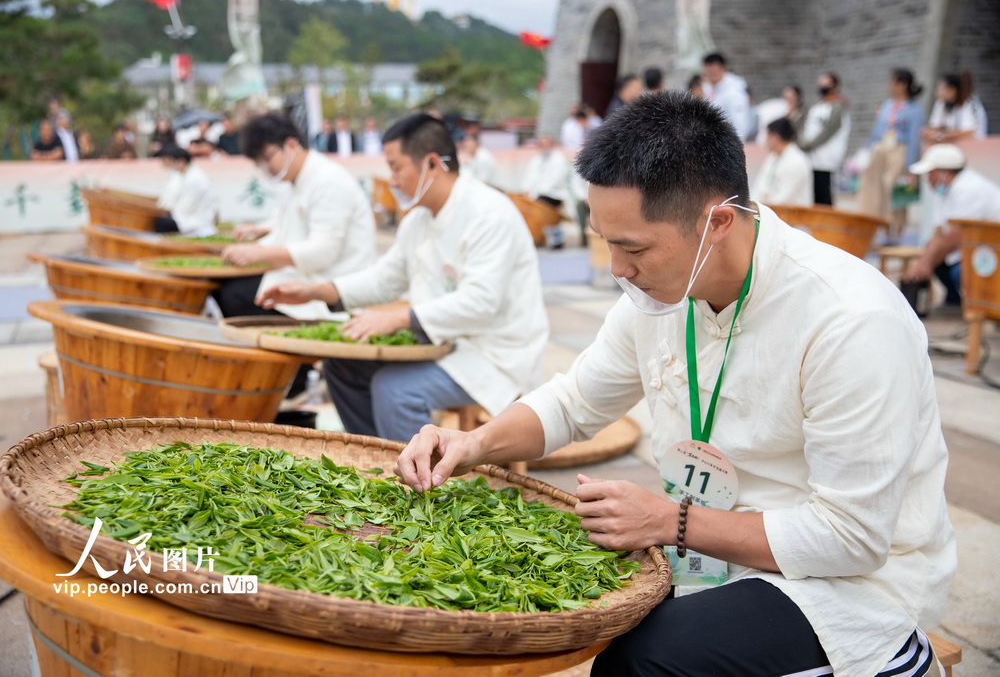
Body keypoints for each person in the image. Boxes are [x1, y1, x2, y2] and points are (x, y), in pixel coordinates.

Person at [393, 92, 955, 677]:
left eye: (632, 247)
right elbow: (574, 400)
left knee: (641, 661)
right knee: (504, 582)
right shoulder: (663, 292)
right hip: (703, 553)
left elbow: (851, 539)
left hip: (845, 589)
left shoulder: (851, 320)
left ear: (717, 223)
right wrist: (474, 445)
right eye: (606, 240)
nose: (616, 268)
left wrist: (671, 521)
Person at [255, 113, 549, 443]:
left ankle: (416, 483)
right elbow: (386, 279)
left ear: (432, 164)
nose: (392, 180)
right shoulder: (419, 220)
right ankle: (379, 456)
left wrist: (398, 318)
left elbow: (480, 302)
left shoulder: (488, 214)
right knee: (341, 364)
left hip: (492, 351)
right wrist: (318, 291)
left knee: (395, 390)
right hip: (441, 340)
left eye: (396, 167)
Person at [217, 113, 377, 321]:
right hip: (306, 274)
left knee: (234, 295)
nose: (267, 168)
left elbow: (324, 251)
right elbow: (284, 228)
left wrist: (261, 254)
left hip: (332, 283)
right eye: (259, 163)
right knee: (225, 285)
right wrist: (256, 246)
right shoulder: (294, 181)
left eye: (267, 159)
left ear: (291, 144)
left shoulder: (328, 181)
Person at [902, 144, 1000, 308]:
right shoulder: (946, 190)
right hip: (976, 247)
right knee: (932, 252)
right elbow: (939, 233)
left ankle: (982, 307)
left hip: (991, 252)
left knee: (959, 270)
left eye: (930, 174)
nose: (928, 180)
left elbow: (955, 236)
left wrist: (925, 264)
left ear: (944, 172)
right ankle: (954, 300)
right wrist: (922, 262)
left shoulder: (969, 188)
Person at [857, 68, 924, 240]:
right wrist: (867, 151)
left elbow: (913, 139)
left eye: (892, 82)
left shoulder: (914, 111)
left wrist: (911, 168)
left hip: (899, 151)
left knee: (893, 189)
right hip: (881, 149)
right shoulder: (887, 106)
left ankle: (897, 232)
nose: (889, 86)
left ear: (902, 85)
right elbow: (877, 130)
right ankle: (879, 227)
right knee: (874, 187)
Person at [799, 72, 850, 206]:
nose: (822, 86)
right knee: (814, 197)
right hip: (812, 159)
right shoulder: (817, 108)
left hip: (826, 160)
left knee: (824, 197)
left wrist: (810, 144)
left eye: (826, 83)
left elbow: (829, 130)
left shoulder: (838, 108)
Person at [153, 145, 219, 236]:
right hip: (185, 216)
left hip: (196, 220)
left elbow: (186, 206)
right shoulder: (181, 174)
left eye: (171, 161)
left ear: (181, 161)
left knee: (161, 223)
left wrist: (167, 211)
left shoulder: (195, 178)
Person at [752, 117, 813, 206]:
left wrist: (764, 201)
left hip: (792, 215)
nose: (765, 141)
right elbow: (758, 186)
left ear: (775, 137)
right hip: (768, 209)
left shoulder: (797, 162)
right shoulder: (772, 157)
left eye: (767, 136)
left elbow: (783, 199)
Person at [922, 72, 986, 145]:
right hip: (951, 145)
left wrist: (940, 135)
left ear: (952, 91)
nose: (937, 92)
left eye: (940, 89)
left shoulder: (968, 103)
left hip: (974, 145)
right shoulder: (941, 103)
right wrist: (928, 132)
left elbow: (967, 132)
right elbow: (935, 126)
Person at [701, 52, 750, 140]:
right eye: (708, 72)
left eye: (714, 72)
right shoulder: (707, 89)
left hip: (728, 143)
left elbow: (740, 124)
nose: (711, 75)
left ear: (723, 69)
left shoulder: (734, 91)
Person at [523, 135, 569, 209]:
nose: (544, 147)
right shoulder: (536, 159)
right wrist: (526, 190)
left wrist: (536, 193)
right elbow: (529, 176)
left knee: (538, 202)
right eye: (542, 145)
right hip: (537, 194)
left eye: (547, 145)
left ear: (552, 145)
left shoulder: (559, 159)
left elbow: (556, 180)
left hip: (553, 195)